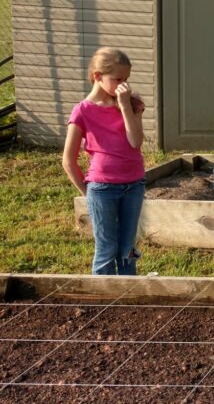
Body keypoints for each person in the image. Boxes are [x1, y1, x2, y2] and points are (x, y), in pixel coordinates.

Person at [62, 47, 146, 275]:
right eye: (118, 79)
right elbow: (68, 160)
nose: (124, 85)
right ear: (98, 76)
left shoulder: (130, 104)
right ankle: (103, 301)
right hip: (102, 188)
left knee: (127, 248)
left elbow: (135, 141)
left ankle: (127, 299)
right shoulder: (82, 111)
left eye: (126, 79)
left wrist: (126, 106)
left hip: (134, 185)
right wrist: (87, 193)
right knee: (107, 248)